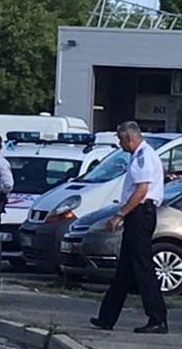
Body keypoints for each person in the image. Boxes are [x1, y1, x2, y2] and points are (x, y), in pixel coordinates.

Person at [91, 121, 168, 334]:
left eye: (120, 138)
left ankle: (157, 318)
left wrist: (120, 214)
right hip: (138, 215)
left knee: (143, 268)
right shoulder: (140, 155)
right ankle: (107, 317)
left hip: (141, 214)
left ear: (129, 138)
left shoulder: (143, 156)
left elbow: (142, 190)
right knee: (124, 270)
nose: (119, 142)